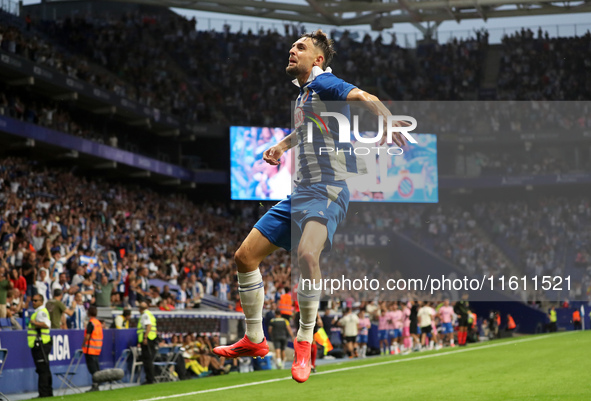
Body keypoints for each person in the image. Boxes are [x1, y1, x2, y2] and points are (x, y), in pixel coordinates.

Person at [213, 29, 407, 384]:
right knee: (244, 257)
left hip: (329, 189)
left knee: (306, 255)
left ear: (317, 59)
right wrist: (281, 147)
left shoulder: (326, 84)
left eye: (300, 47)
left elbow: (365, 95)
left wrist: (388, 121)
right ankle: (255, 339)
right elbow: (307, 130)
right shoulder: (305, 95)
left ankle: (305, 341)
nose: (292, 50)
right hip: (299, 193)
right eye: (292, 46)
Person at [27, 294, 53, 398]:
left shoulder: (41, 312)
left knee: (42, 370)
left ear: (41, 301)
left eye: (35, 300)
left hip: (40, 344)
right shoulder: (39, 312)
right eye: (32, 300)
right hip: (41, 343)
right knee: (44, 369)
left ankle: (43, 393)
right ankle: (48, 392)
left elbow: (46, 324)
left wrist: (34, 322)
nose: (33, 302)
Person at [83, 306, 103, 392]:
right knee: (96, 368)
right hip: (97, 349)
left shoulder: (91, 323)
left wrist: (83, 344)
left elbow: (87, 335)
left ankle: (95, 386)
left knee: (92, 369)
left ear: (88, 313)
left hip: (90, 349)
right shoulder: (98, 323)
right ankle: (97, 384)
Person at [138, 301, 157, 384]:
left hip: (147, 339)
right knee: (149, 359)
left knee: (147, 360)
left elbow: (148, 326)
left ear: (140, 309)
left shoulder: (145, 315)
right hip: (152, 338)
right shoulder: (150, 314)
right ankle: (150, 378)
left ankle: (150, 379)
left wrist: (145, 337)